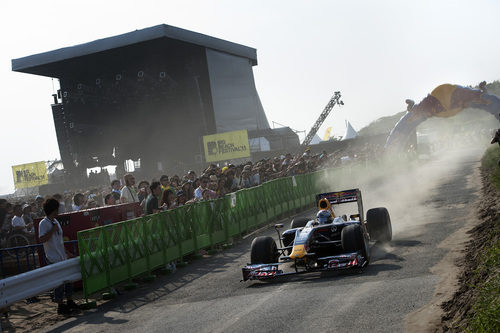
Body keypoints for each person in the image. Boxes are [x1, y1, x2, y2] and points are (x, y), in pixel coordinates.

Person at [38, 198, 78, 315]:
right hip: (52, 257)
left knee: (68, 279)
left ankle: (70, 300)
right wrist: (52, 230)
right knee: (59, 282)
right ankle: (60, 304)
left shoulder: (56, 222)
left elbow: (59, 240)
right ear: (53, 210)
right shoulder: (44, 223)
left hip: (62, 256)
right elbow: (42, 239)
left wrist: (67, 252)